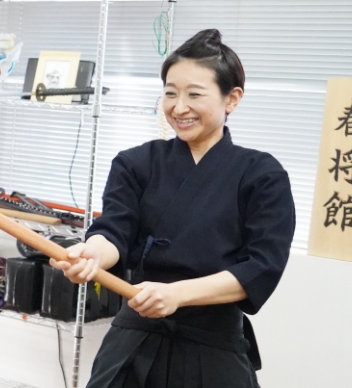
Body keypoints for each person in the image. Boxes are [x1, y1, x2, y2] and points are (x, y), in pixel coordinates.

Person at [50, 29, 296, 388]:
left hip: (213, 347)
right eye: (170, 93)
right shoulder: (135, 163)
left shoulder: (262, 175)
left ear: (232, 99)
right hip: (135, 339)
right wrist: (91, 255)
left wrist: (177, 294)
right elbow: (114, 231)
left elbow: (261, 267)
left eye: (194, 94)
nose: (179, 107)